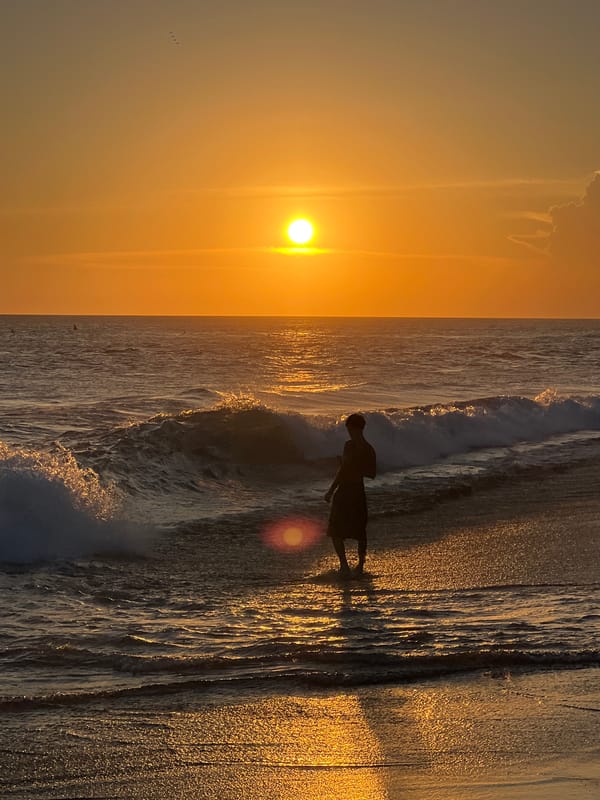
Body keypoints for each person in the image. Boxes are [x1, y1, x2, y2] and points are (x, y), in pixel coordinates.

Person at [325, 413, 376, 576]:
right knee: (335, 530)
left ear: (357, 429)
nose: (349, 433)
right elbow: (343, 470)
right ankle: (344, 566)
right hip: (343, 491)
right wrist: (331, 490)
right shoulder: (348, 445)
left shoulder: (368, 449)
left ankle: (360, 566)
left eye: (351, 429)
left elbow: (372, 473)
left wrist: (355, 466)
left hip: (356, 491)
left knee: (360, 530)